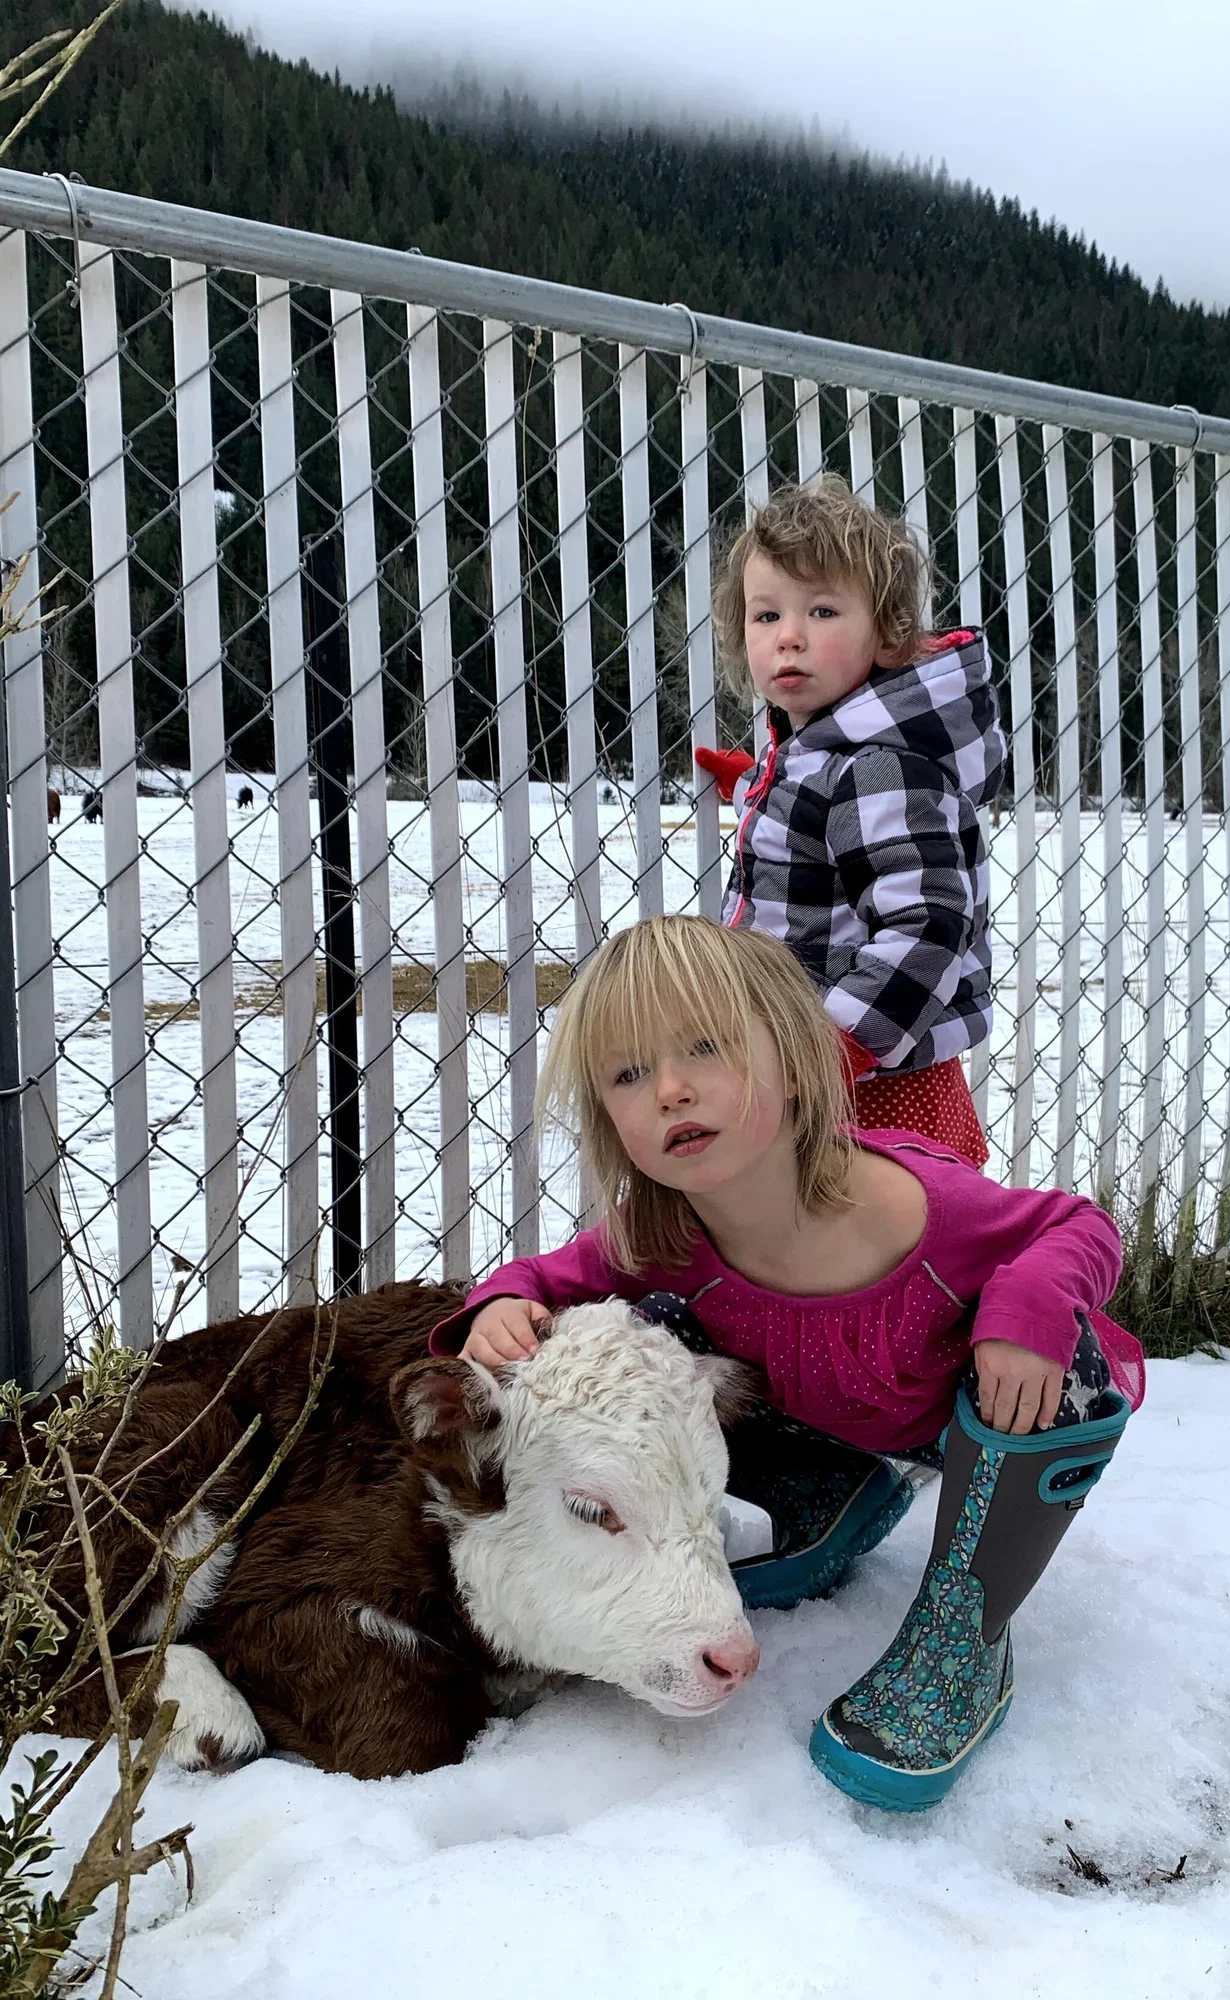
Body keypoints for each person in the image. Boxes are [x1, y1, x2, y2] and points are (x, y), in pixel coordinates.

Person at [431, 917, 1145, 1811]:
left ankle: (967, 1635)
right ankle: (827, 1489)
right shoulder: (661, 1240)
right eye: (627, 1073)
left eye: (706, 1048)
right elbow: (541, 1276)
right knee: (650, 1332)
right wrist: (498, 1304)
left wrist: (1031, 1303)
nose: (671, 1090)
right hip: (830, 1417)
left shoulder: (913, 1208)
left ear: (800, 1059)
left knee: (1067, 1361)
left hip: (982, 1426)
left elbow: (1079, 1227)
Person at [694, 475, 1005, 1166]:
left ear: (889, 637)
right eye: (766, 616)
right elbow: (840, 845)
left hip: (870, 1080)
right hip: (816, 1062)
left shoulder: (879, 770)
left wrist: (842, 1043)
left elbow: (928, 923)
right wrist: (758, 780)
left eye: (824, 611)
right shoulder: (825, 753)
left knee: (879, 1250)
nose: (791, 638)